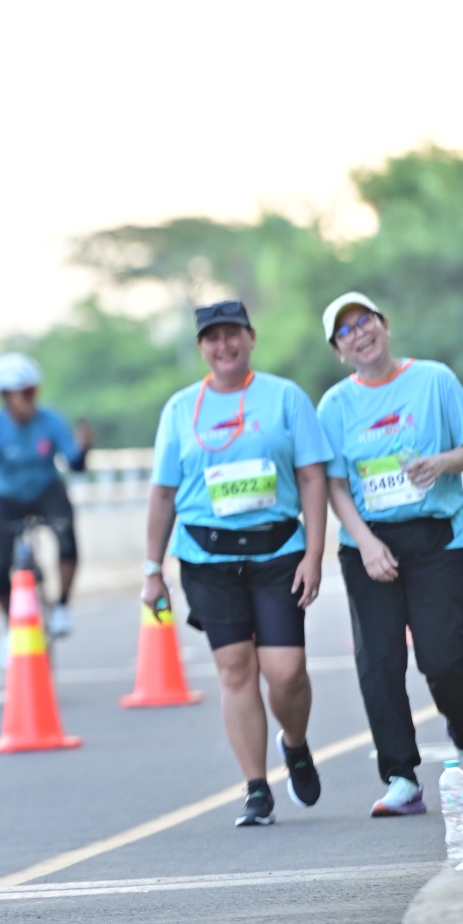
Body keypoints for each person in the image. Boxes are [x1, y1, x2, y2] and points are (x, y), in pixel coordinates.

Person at [143, 300, 329, 827]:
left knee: (285, 671)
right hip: (207, 557)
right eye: (212, 338)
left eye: (232, 334)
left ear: (250, 337)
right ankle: (256, 788)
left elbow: (312, 477)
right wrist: (152, 570)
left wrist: (314, 553)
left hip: (278, 553)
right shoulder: (181, 408)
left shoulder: (285, 397)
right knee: (235, 668)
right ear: (202, 347)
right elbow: (163, 494)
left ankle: (295, 743)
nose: (223, 346)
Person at [317, 291, 463, 816]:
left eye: (364, 321)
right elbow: (335, 485)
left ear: (384, 325)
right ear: (338, 351)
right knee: (380, 662)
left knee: (442, 657)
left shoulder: (435, 380)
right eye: (345, 331)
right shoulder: (334, 406)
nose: (359, 334)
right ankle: (401, 777)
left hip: (437, 540)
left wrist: (441, 463)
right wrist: (365, 543)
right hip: (368, 545)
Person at [0, 351, 92, 643]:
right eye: (24, 393)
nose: (31, 398)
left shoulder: (50, 420)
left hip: (47, 490)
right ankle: (10, 627)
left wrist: (84, 448)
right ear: (6, 396)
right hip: (9, 496)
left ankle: (62, 606)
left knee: (67, 537)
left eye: (33, 391)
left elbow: (75, 464)